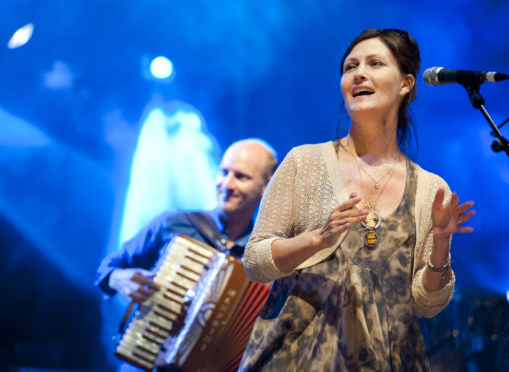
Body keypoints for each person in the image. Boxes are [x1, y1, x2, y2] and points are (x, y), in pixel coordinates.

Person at [238, 29, 476, 371]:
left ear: (406, 84)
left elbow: (427, 304)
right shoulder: (304, 162)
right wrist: (316, 239)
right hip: (294, 358)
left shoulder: (429, 187)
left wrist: (440, 244)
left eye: (375, 63)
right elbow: (255, 261)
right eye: (350, 67)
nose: (359, 73)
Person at [95, 137, 278, 309]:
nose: (226, 184)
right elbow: (108, 268)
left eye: (240, 177)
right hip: (149, 342)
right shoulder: (173, 224)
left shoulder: (262, 257)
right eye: (224, 172)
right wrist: (117, 278)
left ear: (265, 186)